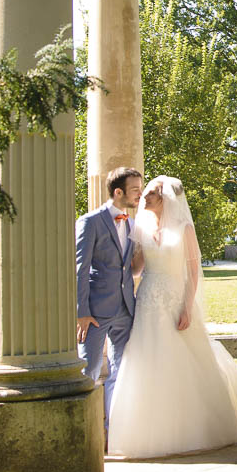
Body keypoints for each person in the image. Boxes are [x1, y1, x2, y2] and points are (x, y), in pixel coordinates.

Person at [107, 174, 237, 458]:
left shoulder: (184, 228)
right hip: (147, 300)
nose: (143, 199)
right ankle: (146, 431)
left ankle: (193, 428)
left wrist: (186, 306)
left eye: (150, 195)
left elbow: (194, 272)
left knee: (182, 360)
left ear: (165, 199)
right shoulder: (141, 227)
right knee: (147, 359)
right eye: (143, 194)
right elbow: (136, 269)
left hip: (175, 299)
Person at [75, 166, 144, 430]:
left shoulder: (132, 222)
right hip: (94, 313)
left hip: (126, 310)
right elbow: (80, 270)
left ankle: (111, 432)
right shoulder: (90, 222)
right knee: (88, 371)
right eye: (135, 189)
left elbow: (130, 267)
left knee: (120, 372)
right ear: (118, 192)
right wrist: (82, 312)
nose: (140, 194)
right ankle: (83, 432)